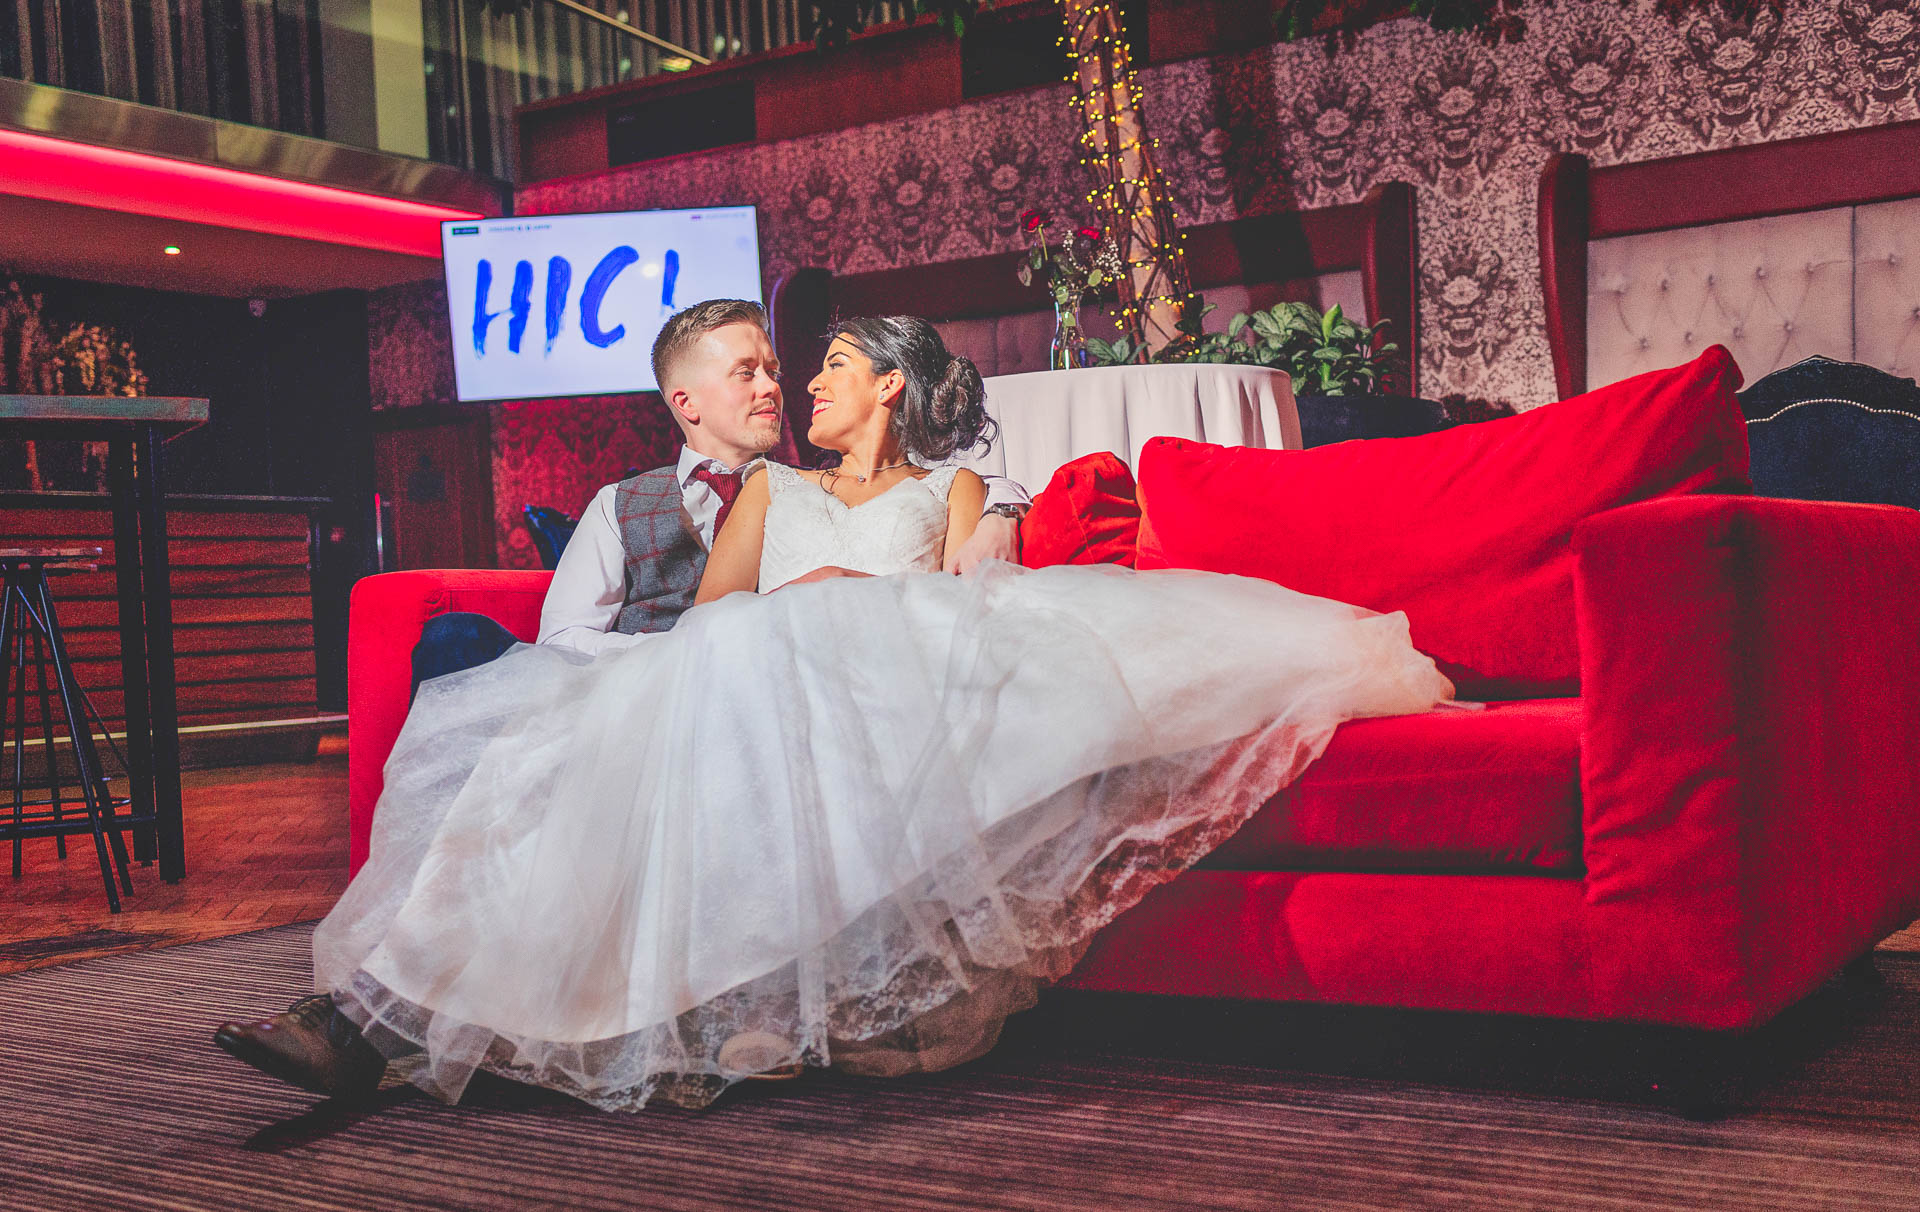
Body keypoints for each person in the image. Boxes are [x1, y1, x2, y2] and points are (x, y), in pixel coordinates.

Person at [215, 315, 1454, 1112]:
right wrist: (790, 598)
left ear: (893, 389)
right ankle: (368, 1020)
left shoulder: (961, 484)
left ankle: (414, 1026)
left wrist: (882, 581)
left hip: (885, 675)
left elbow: (987, 597)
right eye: (770, 368)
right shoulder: (768, 489)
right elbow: (709, 615)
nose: (800, 379)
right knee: (540, 758)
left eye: (827, 367)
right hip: (744, 668)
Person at [407, 298, 1030, 690]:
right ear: (686, 402)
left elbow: (926, 499)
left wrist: (1005, 507)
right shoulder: (618, 506)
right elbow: (564, 642)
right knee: (454, 640)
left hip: (788, 688)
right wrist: (676, 656)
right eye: (746, 373)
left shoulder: (792, 485)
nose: (776, 387)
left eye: (773, 372)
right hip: (643, 687)